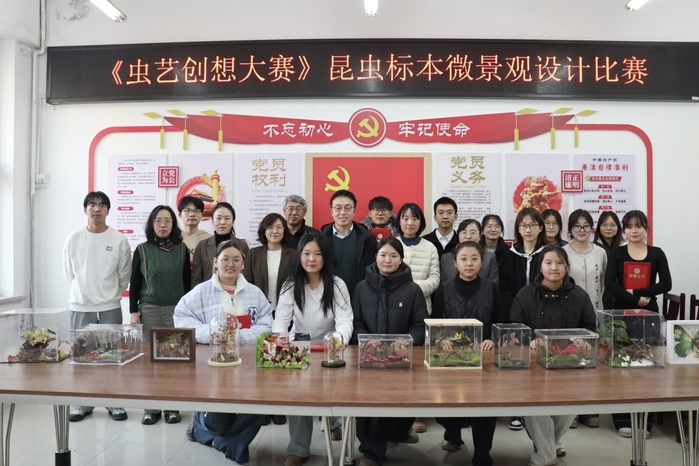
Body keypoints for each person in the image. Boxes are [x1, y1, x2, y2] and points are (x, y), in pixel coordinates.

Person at [175, 239, 272, 465]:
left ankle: (213, 437)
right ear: (215, 262)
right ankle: (209, 430)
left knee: (261, 407)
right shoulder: (201, 292)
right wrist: (215, 333)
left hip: (249, 368)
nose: (231, 264)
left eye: (236, 260)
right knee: (219, 421)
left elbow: (267, 324)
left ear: (243, 264)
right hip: (213, 368)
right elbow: (181, 319)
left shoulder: (255, 293)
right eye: (225, 259)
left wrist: (235, 336)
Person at [510, 245, 596, 466]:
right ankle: (546, 454)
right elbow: (515, 328)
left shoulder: (579, 295)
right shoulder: (526, 294)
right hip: (533, 367)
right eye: (548, 263)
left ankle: (550, 443)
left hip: (569, 365)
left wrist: (584, 340)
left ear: (567, 266)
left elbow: (590, 327)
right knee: (534, 405)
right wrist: (530, 340)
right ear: (540, 267)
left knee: (568, 406)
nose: (554, 267)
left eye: (559, 263)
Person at [272, 233, 353, 466]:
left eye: (317, 254)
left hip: (330, 343)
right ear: (299, 256)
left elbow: (345, 320)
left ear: (325, 257)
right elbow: (281, 320)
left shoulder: (337, 284)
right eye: (306, 253)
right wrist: (281, 341)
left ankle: (333, 423)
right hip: (300, 342)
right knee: (299, 395)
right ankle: (298, 448)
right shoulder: (290, 284)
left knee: (333, 387)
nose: (311, 259)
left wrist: (337, 340)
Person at [351, 237, 428, 466]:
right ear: (375, 257)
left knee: (400, 404)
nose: (388, 260)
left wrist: (404, 343)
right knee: (371, 404)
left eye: (394, 256)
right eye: (383, 254)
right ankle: (372, 450)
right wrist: (368, 342)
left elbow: (420, 326)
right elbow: (356, 323)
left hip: (401, 360)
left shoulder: (413, 290)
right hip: (369, 359)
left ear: (401, 259)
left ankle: (394, 435)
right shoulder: (361, 288)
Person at [63, 191, 131, 422]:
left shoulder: (118, 239)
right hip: (81, 307)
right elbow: (69, 273)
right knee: (81, 359)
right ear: (85, 210)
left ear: (108, 211)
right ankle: (82, 403)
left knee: (112, 358)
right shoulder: (73, 239)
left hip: (110, 307)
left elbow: (124, 275)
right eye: (92, 205)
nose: (97, 209)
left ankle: (114, 403)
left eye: (102, 205)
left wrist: (110, 296)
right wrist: (84, 293)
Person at [432, 241, 502, 465]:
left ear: (482, 262)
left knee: (484, 406)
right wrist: (441, 339)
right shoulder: (444, 289)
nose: (469, 263)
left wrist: (492, 339)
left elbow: (500, 321)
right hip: (450, 359)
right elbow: (435, 323)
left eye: (474, 259)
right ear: (455, 263)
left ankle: (482, 453)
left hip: (483, 358)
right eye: (463, 259)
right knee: (445, 405)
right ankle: (452, 433)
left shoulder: (491, 288)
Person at [605, 210, 672, 438]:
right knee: (621, 364)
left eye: (638, 226)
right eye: (629, 226)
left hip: (649, 314)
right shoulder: (617, 254)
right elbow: (610, 284)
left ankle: (645, 421)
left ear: (646, 228)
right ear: (624, 230)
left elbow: (666, 284)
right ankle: (622, 419)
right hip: (622, 314)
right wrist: (635, 299)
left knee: (648, 365)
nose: (634, 231)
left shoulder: (656, 253)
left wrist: (641, 293)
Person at [130, 205, 191, 425]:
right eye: (158, 220)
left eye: (167, 220)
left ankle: (172, 407)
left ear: (174, 224)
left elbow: (187, 282)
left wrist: (188, 312)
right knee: (150, 362)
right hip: (150, 311)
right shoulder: (142, 250)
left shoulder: (182, 249)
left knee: (175, 361)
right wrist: (133, 311)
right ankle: (151, 408)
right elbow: (135, 282)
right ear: (151, 224)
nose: (163, 225)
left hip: (176, 311)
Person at [244, 213, 297, 426]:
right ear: (263, 231)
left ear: (285, 230)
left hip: (285, 314)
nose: (274, 231)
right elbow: (247, 284)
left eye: (279, 227)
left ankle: (280, 406)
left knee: (281, 362)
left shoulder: (293, 254)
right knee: (261, 363)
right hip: (260, 315)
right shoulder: (253, 254)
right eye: (270, 227)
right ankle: (262, 408)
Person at [498, 207, 546, 432]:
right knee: (517, 361)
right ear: (518, 229)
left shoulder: (548, 254)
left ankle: (539, 409)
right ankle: (517, 410)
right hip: (514, 315)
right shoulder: (509, 256)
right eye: (524, 225)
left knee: (539, 361)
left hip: (542, 314)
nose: (528, 229)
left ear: (540, 228)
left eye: (533, 225)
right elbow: (504, 288)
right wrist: (517, 308)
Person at [562, 209, 607, 429]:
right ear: (570, 229)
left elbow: (604, 282)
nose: (582, 230)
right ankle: (570, 412)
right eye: (577, 226)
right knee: (570, 360)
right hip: (570, 314)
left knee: (592, 361)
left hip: (596, 312)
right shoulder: (563, 252)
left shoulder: (600, 252)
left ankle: (590, 410)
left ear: (591, 228)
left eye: (586, 226)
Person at [321, 190, 377, 300]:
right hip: (329, 296)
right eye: (338, 208)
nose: (342, 212)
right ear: (331, 211)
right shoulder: (321, 238)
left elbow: (372, 269)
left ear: (354, 211)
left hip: (360, 296)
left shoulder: (367, 238)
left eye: (347, 208)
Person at [396, 202, 440, 315]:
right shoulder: (391, 244)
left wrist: (414, 289)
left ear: (421, 222)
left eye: (415, 219)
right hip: (394, 305)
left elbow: (435, 278)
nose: (410, 223)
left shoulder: (430, 247)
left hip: (421, 305)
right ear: (399, 221)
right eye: (406, 219)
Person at [192, 202, 237, 287]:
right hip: (208, 292)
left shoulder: (241, 245)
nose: (222, 222)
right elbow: (196, 278)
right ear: (212, 221)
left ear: (233, 221)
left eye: (227, 218)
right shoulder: (202, 246)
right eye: (218, 218)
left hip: (235, 292)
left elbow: (246, 276)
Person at [441, 219, 499, 284]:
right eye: (464, 232)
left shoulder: (489, 257)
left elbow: (493, 284)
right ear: (458, 236)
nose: (468, 236)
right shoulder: (446, 258)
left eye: (472, 233)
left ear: (480, 236)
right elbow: (443, 285)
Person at [593, 211, 624, 309]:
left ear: (618, 227)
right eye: (604, 225)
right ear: (598, 227)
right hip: (600, 293)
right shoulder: (593, 248)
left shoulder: (624, 246)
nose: (608, 228)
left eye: (612, 225)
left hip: (621, 295)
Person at [177, 195, 211, 262]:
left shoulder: (209, 239)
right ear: (180, 215)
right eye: (187, 210)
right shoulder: (174, 238)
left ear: (202, 215)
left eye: (196, 211)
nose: (192, 214)